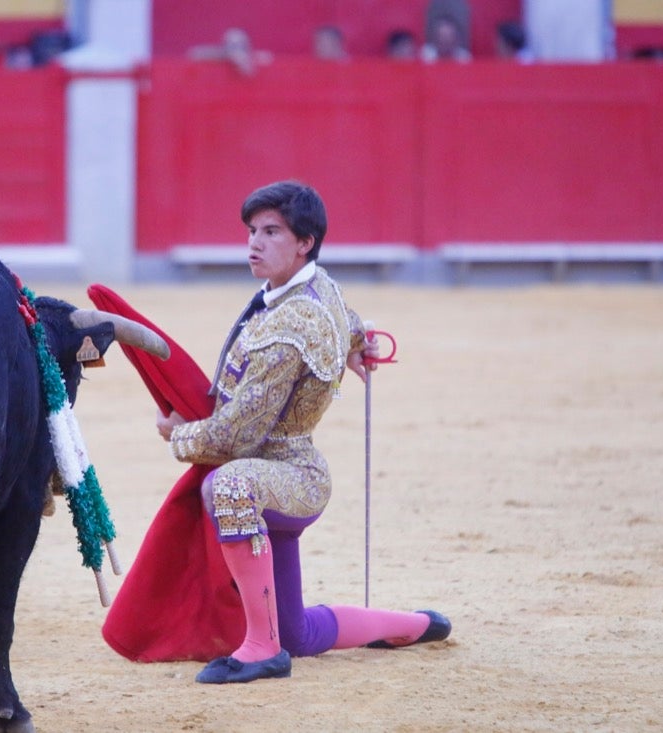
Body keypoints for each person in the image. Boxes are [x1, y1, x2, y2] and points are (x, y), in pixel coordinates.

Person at [155, 181, 451, 684]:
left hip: (288, 476)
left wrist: (179, 435)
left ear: (305, 242)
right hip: (282, 473)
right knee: (301, 636)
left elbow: (235, 438)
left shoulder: (292, 324)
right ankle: (416, 625)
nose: (254, 242)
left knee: (227, 485)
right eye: (252, 230)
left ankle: (260, 648)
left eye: (272, 232)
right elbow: (345, 317)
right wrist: (357, 343)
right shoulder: (315, 288)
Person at [188, 27, 271, 77]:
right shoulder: (219, 54)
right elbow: (194, 53)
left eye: (239, 44)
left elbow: (267, 58)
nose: (236, 48)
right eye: (233, 45)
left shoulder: (254, 56)